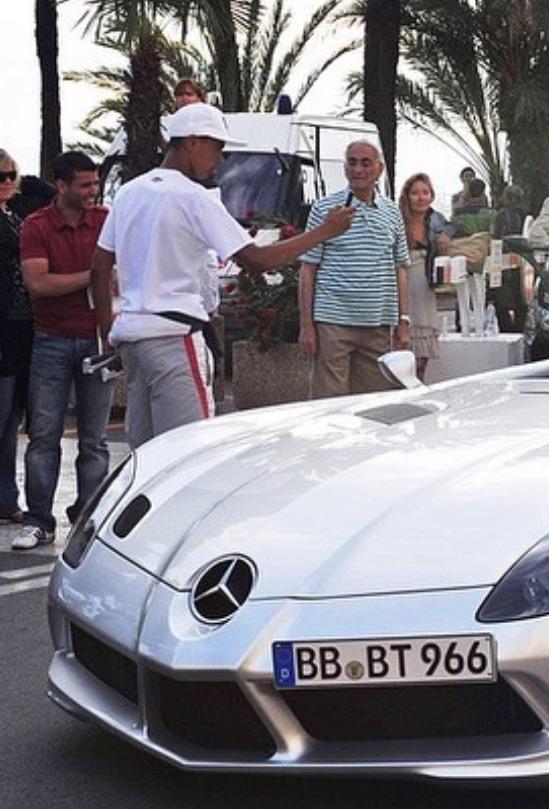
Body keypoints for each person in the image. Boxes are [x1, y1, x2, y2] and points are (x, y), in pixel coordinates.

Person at [91, 103, 355, 450]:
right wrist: (322, 232)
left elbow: (99, 266)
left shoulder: (128, 193)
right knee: (190, 452)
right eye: (218, 147)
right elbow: (257, 260)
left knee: (145, 453)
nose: (222, 159)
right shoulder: (194, 197)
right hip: (173, 337)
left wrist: (106, 332)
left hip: (132, 338)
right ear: (193, 142)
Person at [13, 152, 110, 549]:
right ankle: (39, 520)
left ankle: (88, 517)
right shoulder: (36, 226)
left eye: (95, 183)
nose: (93, 191)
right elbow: (39, 284)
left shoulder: (106, 220)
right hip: (51, 339)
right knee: (44, 436)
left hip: (98, 339)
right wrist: (96, 275)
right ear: (62, 186)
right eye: (84, 185)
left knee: (95, 439)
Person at [298, 138, 409, 399]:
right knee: (329, 404)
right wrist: (306, 326)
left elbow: (400, 268)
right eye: (352, 163)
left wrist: (404, 322)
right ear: (345, 168)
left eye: (366, 163)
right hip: (334, 324)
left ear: (379, 169)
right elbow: (308, 270)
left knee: (373, 404)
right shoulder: (325, 209)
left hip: (378, 325)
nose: (358, 170)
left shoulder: (392, 213)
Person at [0, 149, 32, 525]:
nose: (6, 182)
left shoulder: (15, 219)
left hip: (22, 329)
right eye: (0, 176)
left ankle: (6, 497)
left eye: (11, 175)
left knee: (11, 420)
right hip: (5, 330)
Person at [399, 172, 454, 381]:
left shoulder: (436, 218)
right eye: (415, 193)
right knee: (405, 347)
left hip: (426, 284)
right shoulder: (399, 220)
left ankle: (419, 383)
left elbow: (452, 228)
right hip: (404, 281)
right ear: (407, 196)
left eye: (425, 192)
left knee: (423, 349)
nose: (421, 197)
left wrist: (445, 237)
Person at [490, 185, 529, 333]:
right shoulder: (526, 215)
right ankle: (520, 329)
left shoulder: (502, 215)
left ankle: (507, 330)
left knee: (503, 302)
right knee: (522, 302)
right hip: (524, 263)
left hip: (504, 265)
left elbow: (496, 239)